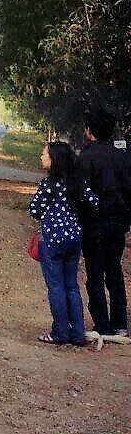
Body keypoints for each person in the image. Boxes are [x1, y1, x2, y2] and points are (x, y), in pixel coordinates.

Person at [29, 141, 98, 345]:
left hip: (51, 240)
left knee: (56, 287)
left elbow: (34, 209)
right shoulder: (78, 182)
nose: (41, 157)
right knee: (72, 287)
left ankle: (60, 332)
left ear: (54, 160)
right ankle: (77, 334)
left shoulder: (48, 184)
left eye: (44, 155)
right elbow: (94, 203)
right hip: (73, 239)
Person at [76, 108, 131, 336]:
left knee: (95, 273)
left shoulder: (84, 159)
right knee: (115, 271)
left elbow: (79, 194)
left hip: (94, 224)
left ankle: (102, 325)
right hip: (118, 223)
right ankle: (120, 325)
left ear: (88, 131)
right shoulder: (124, 157)